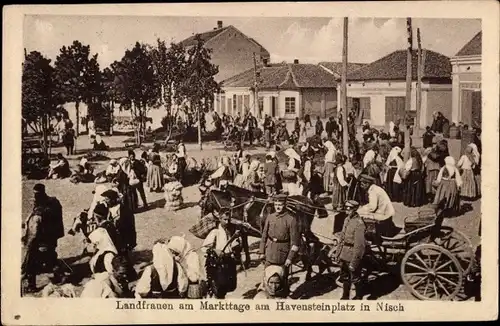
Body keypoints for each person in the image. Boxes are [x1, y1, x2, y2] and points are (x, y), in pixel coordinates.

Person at [21, 184, 65, 293]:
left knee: (32, 262)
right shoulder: (54, 202)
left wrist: (28, 243)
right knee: (51, 258)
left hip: (39, 241)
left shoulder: (39, 212)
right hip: (51, 238)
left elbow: (34, 232)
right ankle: (60, 275)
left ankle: (31, 286)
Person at [258, 194, 300, 296]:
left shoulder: (291, 219)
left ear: (285, 205)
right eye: (276, 204)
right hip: (270, 252)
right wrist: (262, 251)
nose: (277, 207)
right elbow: (264, 236)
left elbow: (295, 243)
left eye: (280, 205)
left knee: (282, 280)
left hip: (283, 255)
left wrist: (289, 258)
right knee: (268, 278)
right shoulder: (270, 217)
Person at [337, 200, 366, 300]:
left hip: (352, 255)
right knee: (344, 277)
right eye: (346, 207)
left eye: (350, 208)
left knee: (355, 278)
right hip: (344, 254)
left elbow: (360, 246)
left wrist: (354, 262)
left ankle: (358, 296)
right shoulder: (347, 219)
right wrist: (338, 254)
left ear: (355, 209)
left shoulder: (359, 224)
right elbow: (342, 239)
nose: (347, 209)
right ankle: (345, 296)